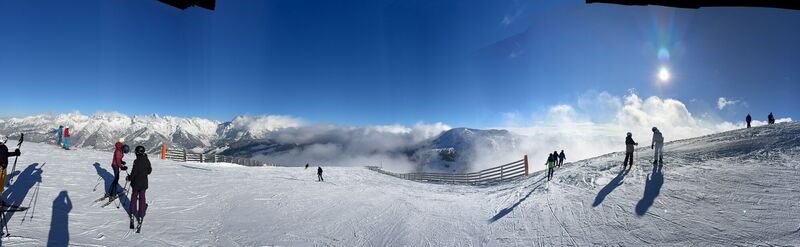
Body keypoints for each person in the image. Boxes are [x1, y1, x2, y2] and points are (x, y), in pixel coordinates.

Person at [127, 145, 152, 231]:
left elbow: (134, 173)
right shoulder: (146, 160)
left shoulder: (136, 161)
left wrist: (129, 178)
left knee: (134, 197)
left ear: (137, 152)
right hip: (143, 183)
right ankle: (141, 215)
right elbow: (149, 171)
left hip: (136, 183)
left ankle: (132, 213)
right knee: (142, 198)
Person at [0, 135, 21, 207]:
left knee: (1, 186)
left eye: (6, 140)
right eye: (4, 140)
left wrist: (15, 153)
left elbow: (5, 155)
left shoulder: (3, 147)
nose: (6, 141)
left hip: (3, 169)